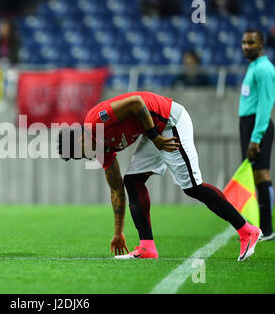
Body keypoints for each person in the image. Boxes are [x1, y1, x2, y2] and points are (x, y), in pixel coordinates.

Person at [58, 91, 262, 261]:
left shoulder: (96, 119)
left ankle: (247, 230)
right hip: (153, 132)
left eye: (80, 152)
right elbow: (116, 190)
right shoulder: (102, 150)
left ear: (78, 138)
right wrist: (118, 232)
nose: (87, 156)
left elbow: (136, 103)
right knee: (132, 181)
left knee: (193, 187)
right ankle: (147, 247)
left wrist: (155, 137)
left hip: (170, 121)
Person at [239, 28, 275, 241]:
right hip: (248, 123)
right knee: (253, 174)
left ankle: (267, 228)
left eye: (251, 43)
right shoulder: (254, 67)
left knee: (261, 173)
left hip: (257, 124)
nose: (246, 46)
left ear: (261, 44)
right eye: (244, 42)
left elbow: (265, 105)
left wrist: (256, 136)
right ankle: (257, 226)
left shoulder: (264, 69)